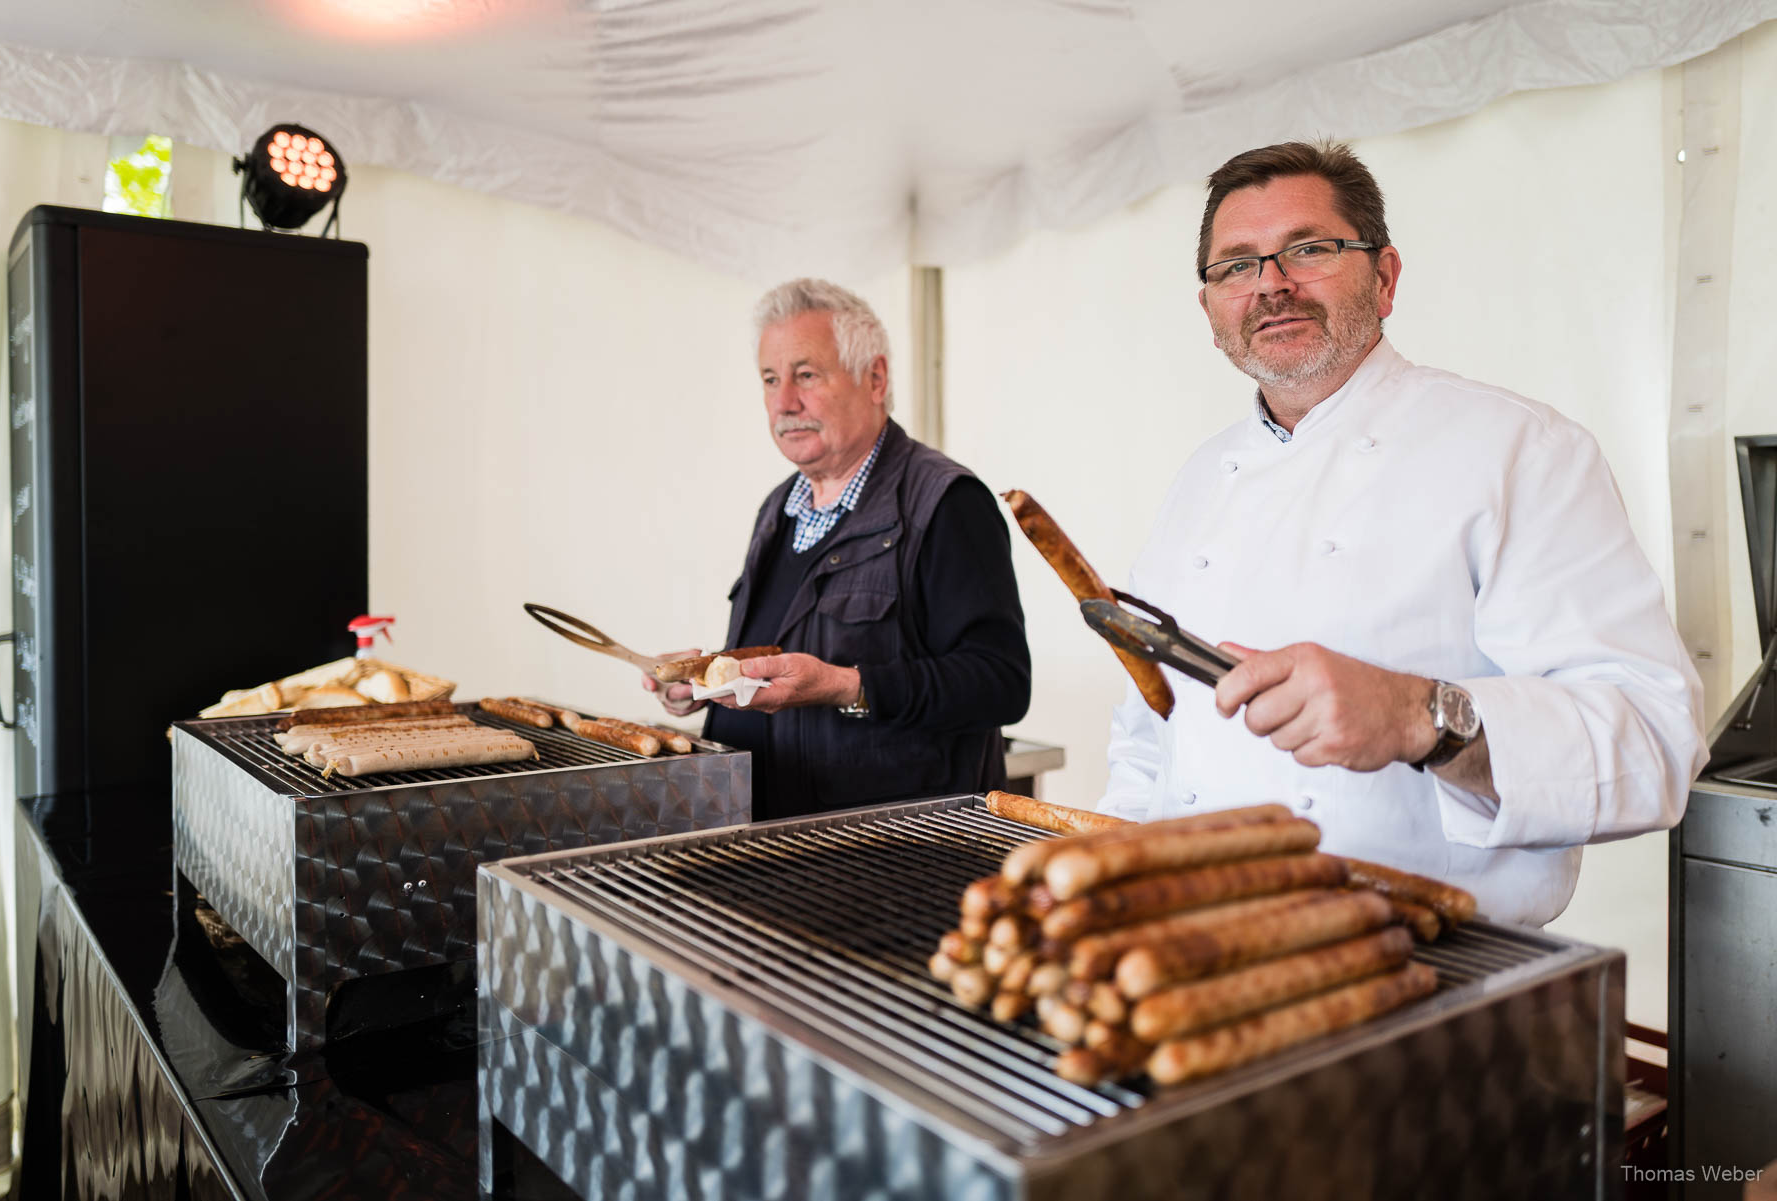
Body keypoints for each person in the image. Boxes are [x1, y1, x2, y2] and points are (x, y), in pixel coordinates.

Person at [1097, 141, 1705, 925]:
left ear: (1384, 278)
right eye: (1237, 265)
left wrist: (1421, 717)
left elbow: (1654, 745)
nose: (1271, 284)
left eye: (1308, 249)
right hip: (1198, 949)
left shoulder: (1520, 449)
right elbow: (1148, 731)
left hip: (1429, 968)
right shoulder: (1200, 476)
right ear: (1212, 312)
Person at [645, 278, 1031, 820]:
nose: (784, 402)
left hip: (887, 859)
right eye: (770, 379)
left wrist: (844, 686)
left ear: (874, 378)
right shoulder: (778, 509)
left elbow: (1000, 685)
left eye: (806, 375)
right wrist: (707, 682)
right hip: (761, 842)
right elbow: (773, 662)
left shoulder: (945, 502)